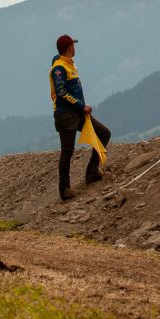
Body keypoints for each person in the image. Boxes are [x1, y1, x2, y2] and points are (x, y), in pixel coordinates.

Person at [49, 34, 111, 201]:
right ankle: (64, 190)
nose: (75, 48)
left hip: (77, 113)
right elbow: (61, 92)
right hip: (65, 115)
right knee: (67, 151)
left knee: (104, 133)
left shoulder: (67, 64)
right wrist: (81, 105)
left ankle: (91, 172)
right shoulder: (59, 68)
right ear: (70, 48)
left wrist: (80, 107)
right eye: (73, 45)